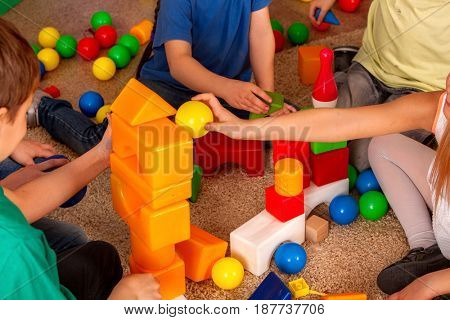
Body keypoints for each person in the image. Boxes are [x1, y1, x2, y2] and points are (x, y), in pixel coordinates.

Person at [194, 72, 450, 299]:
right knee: (384, 144)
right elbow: (340, 122)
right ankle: (428, 248)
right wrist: (243, 128)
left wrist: (432, 284)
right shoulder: (441, 104)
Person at [0, 18, 160, 300]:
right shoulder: (17, 249)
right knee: (87, 256)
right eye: (25, 112)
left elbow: (18, 203)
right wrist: (120, 300)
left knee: (88, 250)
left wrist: (102, 153)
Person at [27, 0, 294, 156]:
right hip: (169, 86)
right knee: (107, 145)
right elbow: (179, 63)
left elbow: (260, 32)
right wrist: (226, 88)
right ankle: (45, 109)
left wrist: (268, 101)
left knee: (288, 127)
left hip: (230, 87)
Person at [309, 0, 450, 171]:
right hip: (373, 65)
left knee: (363, 159)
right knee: (324, 126)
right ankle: (344, 76)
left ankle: (427, 136)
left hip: (423, 87)